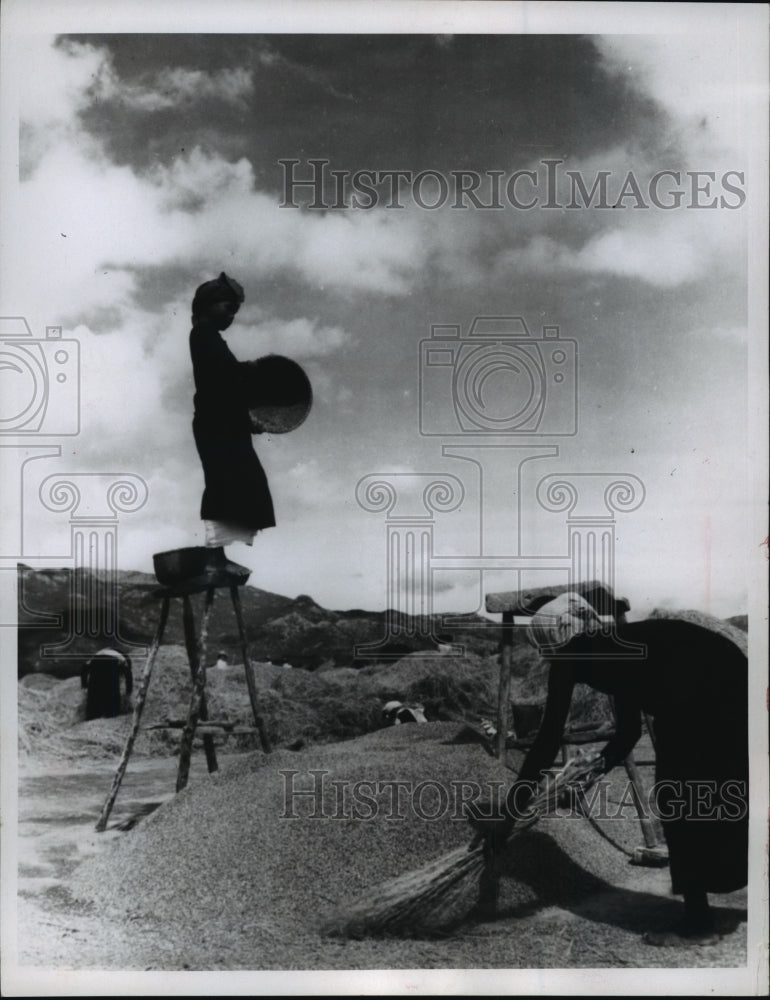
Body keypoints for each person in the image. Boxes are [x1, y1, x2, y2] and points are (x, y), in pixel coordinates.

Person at [467, 592, 748, 945]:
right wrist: (596, 769)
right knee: (731, 789)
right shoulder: (613, 644)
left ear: (554, 640)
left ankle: (699, 926)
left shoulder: (572, 655)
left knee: (679, 794)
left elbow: (546, 742)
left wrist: (507, 818)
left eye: (547, 649)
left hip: (703, 685)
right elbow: (629, 732)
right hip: (734, 674)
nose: (549, 658)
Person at [189, 272, 275, 565]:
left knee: (236, 482)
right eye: (228, 307)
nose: (231, 315)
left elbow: (227, 378)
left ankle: (219, 551)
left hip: (223, 421)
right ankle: (215, 552)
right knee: (223, 483)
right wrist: (247, 371)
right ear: (208, 305)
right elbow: (223, 378)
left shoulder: (210, 337)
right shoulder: (203, 335)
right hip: (217, 422)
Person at [81, 648, 133, 720]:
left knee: (94, 695)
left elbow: (84, 667)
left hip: (96, 664)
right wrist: (128, 692)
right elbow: (128, 674)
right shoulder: (124, 659)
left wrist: (84, 685)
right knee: (112, 696)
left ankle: (92, 715)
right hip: (111, 664)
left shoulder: (98, 654)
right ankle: (111, 714)